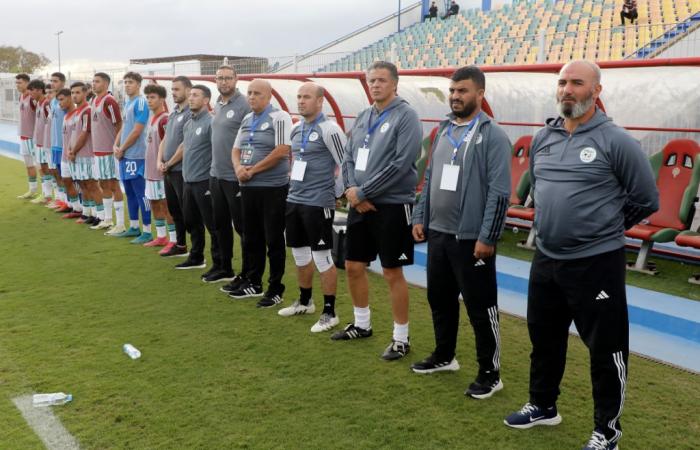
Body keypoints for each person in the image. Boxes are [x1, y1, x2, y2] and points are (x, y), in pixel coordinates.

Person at [503, 61, 659, 450]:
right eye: (562, 83)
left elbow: (645, 199)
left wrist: (603, 229)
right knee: (544, 337)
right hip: (547, 256)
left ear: (596, 90)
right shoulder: (544, 137)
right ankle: (543, 406)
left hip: (596, 263)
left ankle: (607, 432)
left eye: (576, 83)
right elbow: (541, 187)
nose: (567, 90)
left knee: (606, 349)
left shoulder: (616, 140)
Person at [411, 66, 511, 399]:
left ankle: (490, 373)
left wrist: (488, 237)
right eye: (453, 91)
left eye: (463, 91)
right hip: (438, 233)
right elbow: (429, 178)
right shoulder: (441, 130)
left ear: (480, 94)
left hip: (470, 238)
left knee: (481, 308)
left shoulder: (491, 134)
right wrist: (420, 215)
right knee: (439, 299)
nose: (456, 96)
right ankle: (444, 355)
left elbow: (499, 192)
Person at [333, 61, 422, 361]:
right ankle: (361, 324)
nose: (375, 85)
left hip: (393, 205)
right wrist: (351, 192)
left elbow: (401, 163)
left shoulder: (406, 116)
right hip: (359, 203)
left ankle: (401, 338)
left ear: (395, 84)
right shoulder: (363, 115)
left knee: (391, 271)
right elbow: (347, 157)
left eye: (381, 80)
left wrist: (363, 191)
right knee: (354, 266)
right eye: (371, 80)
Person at [277, 82, 347, 332]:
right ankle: (305, 302)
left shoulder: (331, 130)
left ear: (320, 101)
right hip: (295, 200)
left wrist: (336, 192)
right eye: (299, 97)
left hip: (319, 203)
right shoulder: (296, 129)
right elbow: (293, 161)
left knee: (322, 257)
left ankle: (330, 312)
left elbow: (345, 163)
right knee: (299, 254)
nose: (301, 101)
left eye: (307, 97)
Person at [229, 79, 292, 307]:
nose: (252, 97)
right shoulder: (247, 119)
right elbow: (236, 149)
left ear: (269, 96)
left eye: (257, 93)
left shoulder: (280, 117)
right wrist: (238, 168)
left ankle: (275, 288)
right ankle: (253, 282)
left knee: (273, 239)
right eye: (249, 93)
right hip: (248, 187)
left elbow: (282, 150)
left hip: (272, 188)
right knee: (251, 237)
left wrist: (253, 170)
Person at [209, 65, 251, 285]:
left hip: (235, 177)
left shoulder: (244, 104)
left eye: (227, 78)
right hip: (216, 174)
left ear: (236, 79)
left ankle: (247, 273)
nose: (223, 82)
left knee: (242, 227)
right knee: (220, 224)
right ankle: (224, 267)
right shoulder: (218, 103)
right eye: (220, 78)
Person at [176, 84, 220, 271]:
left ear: (206, 100)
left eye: (195, 95)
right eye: (190, 95)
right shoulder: (188, 123)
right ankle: (196, 257)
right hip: (188, 181)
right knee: (191, 221)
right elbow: (185, 148)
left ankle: (219, 264)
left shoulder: (211, 122)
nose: (191, 98)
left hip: (205, 181)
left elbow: (217, 151)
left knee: (213, 225)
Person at [113, 71, 151, 243]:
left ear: (138, 84)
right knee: (129, 192)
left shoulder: (141, 102)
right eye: (125, 82)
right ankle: (134, 227)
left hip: (137, 155)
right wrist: (116, 144)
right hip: (125, 154)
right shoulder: (128, 102)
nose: (127, 85)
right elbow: (124, 127)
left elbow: (137, 131)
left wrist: (122, 148)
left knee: (141, 193)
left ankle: (148, 231)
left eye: (131, 82)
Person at [157, 76, 191, 258]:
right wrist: (159, 161)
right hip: (168, 170)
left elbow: (186, 144)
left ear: (187, 90)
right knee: (174, 210)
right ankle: (181, 245)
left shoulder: (189, 114)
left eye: (177, 89)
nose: (173, 93)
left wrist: (169, 163)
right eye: (172, 90)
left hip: (181, 170)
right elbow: (165, 139)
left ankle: (197, 250)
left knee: (188, 212)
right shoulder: (173, 112)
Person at [90, 72, 126, 233]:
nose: (93, 84)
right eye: (93, 81)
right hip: (97, 151)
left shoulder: (109, 101)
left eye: (97, 81)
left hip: (108, 151)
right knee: (102, 184)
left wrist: (116, 145)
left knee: (113, 184)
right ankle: (107, 219)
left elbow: (119, 125)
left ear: (105, 84)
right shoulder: (93, 100)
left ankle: (120, 224)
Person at [66, 82, 104, 227]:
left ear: (85, 93)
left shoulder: (87, 110)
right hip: (78, 155)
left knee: (92, 185)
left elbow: (84, 133)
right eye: (73, 93)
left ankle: (100, 215)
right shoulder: (77, 112)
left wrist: (73, 150)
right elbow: (74, 134)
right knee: (84, 185)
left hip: (87, 155)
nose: (75, 95)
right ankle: (89, 212)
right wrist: (71, 150)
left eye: (78, 92)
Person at [143, 84, 175, 248]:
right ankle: (161, 236)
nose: (149, 100)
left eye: (153, 97)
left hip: (161, 172)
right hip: (149, 170)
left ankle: (173, 239)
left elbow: (168, 144)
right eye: (147, 97)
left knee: (165, 204)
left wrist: (164, 164)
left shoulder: (165, 119)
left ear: (162, 99)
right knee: (154, 202)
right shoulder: (152, 118)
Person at [49, 72, 74, 213]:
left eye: (56, 81)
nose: (53, 83)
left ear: (63, 83)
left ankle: (73, 204)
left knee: (69, 177)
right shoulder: (53, 101)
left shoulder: (66, 101)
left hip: (64, 145)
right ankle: (63, 200)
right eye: (51, 81)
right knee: (57, 173)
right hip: (55, 144)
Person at [27, 79, 53, 205]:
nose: (30, 93)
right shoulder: (38, 103)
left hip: (45, 143)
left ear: (38, 90)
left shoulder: (47, 104)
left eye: (31, 91)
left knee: (48, 168)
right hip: (38, 142)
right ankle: (46, 195)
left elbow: (51, 123)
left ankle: (51, 196)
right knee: (42, 168)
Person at [15, 73, 39, 200]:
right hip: (23, 136)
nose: (17, 85)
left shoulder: (32, 97)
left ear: (27, 83)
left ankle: (50, 194)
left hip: (33, 137)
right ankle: (32, 190)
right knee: (29, 165)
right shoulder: (21, 97)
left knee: (42, 167)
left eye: (19, 83)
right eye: (16, 83)